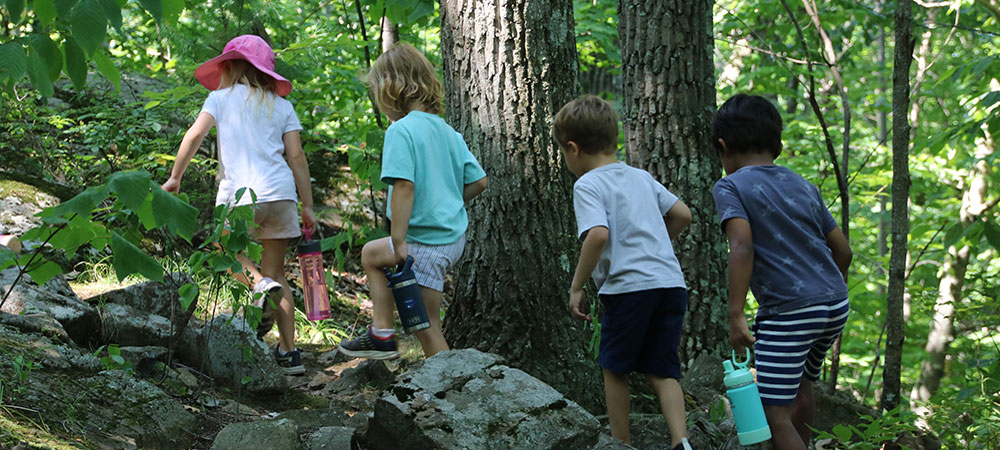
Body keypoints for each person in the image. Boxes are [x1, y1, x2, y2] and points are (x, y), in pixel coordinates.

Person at [161, 34, 316, 376]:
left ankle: (257, 285)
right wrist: (308, 205)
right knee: (277, 275)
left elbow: (194, 136)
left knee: (221, 253)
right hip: (281, 195)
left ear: (229, 65)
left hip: (239, 196)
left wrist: (175, 177)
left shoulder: (219, 99)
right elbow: (297, 156)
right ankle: (290, 354)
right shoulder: (282, 105)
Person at [711, 94, 853, 450]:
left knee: (774, 414)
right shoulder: (804, 185)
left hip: (789, 312)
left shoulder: (730, 186)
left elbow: (741, 245)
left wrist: (736, 313)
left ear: (722, 146)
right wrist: (824, 297)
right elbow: (844, 251)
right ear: (778, 145)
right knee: (802, 388)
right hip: (835, 305)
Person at [554, 95, 693, 450]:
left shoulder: (587, 185)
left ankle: (620, 442)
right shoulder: (641, 177)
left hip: (627, 288)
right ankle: (682, 441)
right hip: (669, 283)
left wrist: (577, 286)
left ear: (573, 148)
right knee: (663, 369)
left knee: (614, 367)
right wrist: (657, 246)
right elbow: (682, 214)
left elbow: (598, 235)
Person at [337, 43, 488, 360]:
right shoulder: (447, 131)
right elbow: (479, 181)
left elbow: (404, 186)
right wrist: (446, 201)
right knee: (370, 254)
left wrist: (398, 238)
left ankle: (453, 392)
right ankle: (381, 332)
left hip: (424, 242)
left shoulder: (401, 131)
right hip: (449, 238)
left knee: (427, 326)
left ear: (393, 89)